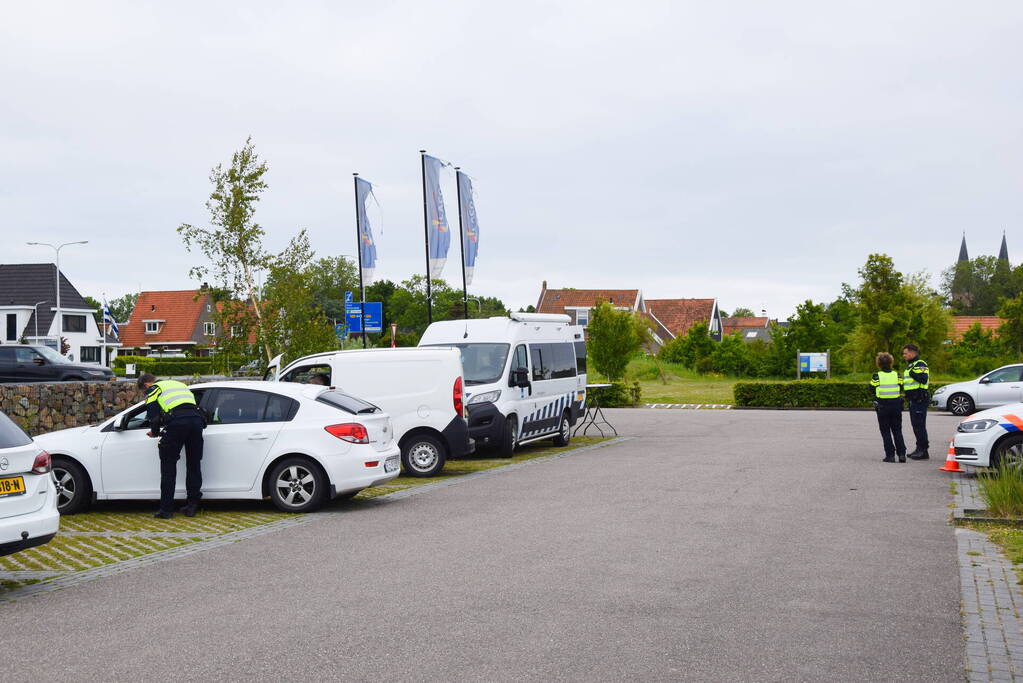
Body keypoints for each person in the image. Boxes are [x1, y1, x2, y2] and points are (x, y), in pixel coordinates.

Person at [138, 372, 205, 519]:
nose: (145, 395)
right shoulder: (180, 385)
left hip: (177, 424)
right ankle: (192, 506)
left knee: (168, 466)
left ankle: (166, 510)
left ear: (146, 385)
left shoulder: (154, 389)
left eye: (143, 393)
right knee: (194, 465)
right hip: (196, 423)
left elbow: (154, 417)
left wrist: (155, 432)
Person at [870, 352, 906, 463]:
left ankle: (890, 455)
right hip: (896, 405)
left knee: (885, 431)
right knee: (897, 430)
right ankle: (901, 454)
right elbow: (901, 387)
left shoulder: (876, 376)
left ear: (879, 363)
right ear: (891, 362)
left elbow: (871, 389)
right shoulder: (897, 375)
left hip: (882, 406)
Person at [902, 343, 930, 460]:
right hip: (913, 399)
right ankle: (919, 449)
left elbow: (923, 379)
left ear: (913, 353)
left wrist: (913, 373)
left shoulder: (920, 364)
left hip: (920, 399)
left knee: (919, 425)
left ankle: (923, 451)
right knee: (915, 425)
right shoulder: (911, 365)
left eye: (905, 353)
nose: (904, 355)